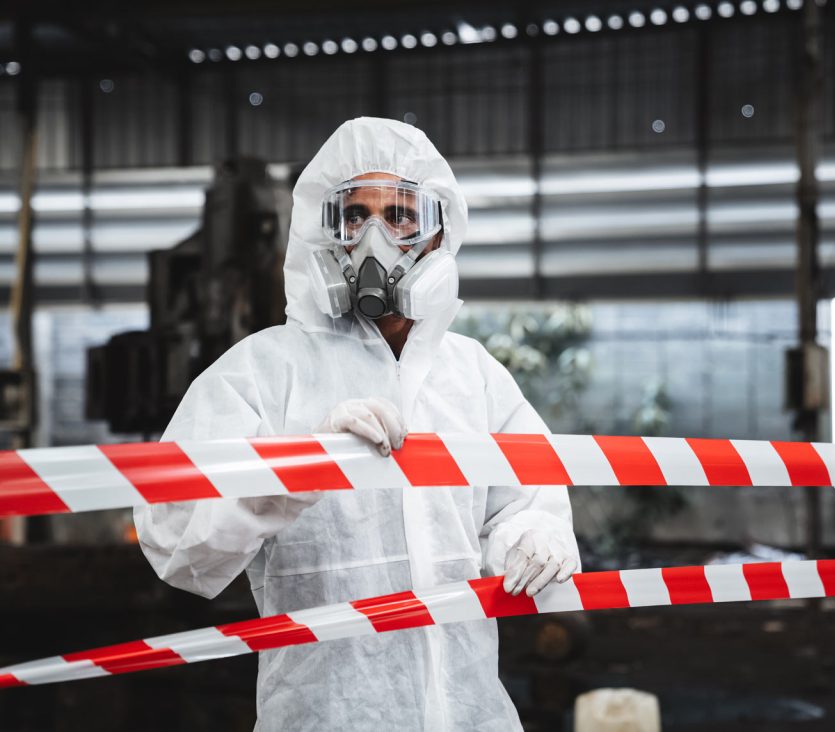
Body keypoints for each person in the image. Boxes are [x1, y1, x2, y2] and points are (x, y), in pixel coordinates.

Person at [134, 117, 580, 731]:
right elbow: (172, 538)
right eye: (353, 216)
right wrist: (288, 473)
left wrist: (530, 536)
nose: (376, 237)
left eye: (401, 215)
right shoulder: (264, 370)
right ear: (326, 233)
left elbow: (527, 501)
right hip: (325, 715)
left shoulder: (473, 374)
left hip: (470, 713)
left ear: (439, 234)